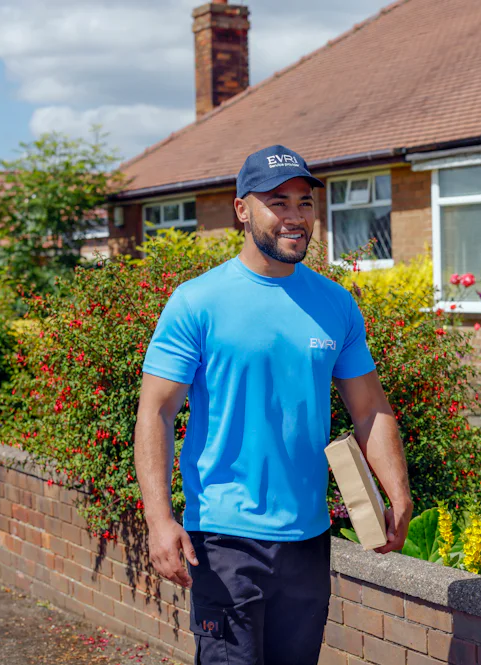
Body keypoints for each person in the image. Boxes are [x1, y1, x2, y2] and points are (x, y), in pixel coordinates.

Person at [133, 145, 412, 665]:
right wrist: (159, 519)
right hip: (223, 537)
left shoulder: (335, 303)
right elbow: (156, 412)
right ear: (242, 210)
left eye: (304, 203)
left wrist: (397, 491)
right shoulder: (197, 302)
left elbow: (370, 407)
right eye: (277, 202)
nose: (295, 216)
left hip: (308, 538)